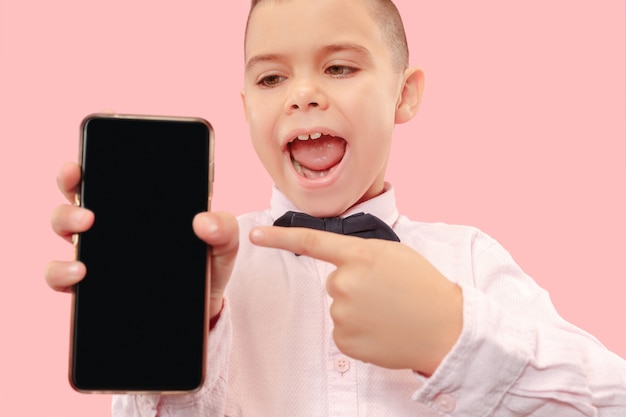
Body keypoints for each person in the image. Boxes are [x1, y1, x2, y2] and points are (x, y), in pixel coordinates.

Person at [46, 0, 626, 415]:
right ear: (248, 109)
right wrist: (178, 324)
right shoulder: (208, 267)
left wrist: (452, 336)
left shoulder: (470, 259)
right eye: (272, 77)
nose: (302, 93)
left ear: (404, 92)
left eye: (339, 67)